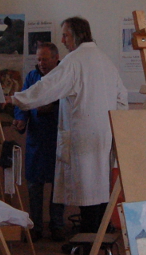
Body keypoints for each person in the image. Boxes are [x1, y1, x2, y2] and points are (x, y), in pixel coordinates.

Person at [10, 17, 129, 234]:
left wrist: (17, 99)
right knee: (100, 185)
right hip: (104, 134)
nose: (63, 40)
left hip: (83, 133)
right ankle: (100, 233)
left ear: (75, 35)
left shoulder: (74, 61)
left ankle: (90, 238)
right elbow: (122, 97)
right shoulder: (105, 60)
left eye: (65, 35)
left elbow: (47, 87)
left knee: (87, 187)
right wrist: (113, 125)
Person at [14, 42, 66, 241]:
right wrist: (21, 119)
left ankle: (57, 226)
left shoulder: (64, 75)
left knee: (58, 185)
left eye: (45, 59)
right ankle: (35, 227)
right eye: (39, 59)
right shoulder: (32, 76)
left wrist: (52, 107)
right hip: (36, 138)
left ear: (55, 58)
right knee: (34, 186)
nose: (41, 63)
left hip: (57, 137)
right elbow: (24, 100)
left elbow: (70, 102)